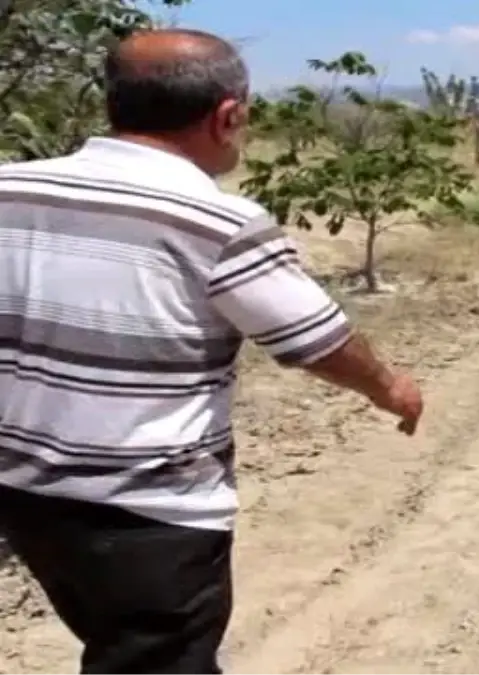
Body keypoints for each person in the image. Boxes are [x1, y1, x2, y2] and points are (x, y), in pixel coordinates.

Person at [0, 28, 423, 674]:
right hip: (149, 513)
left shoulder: (11, 190)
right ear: (227, 116)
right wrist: (389, 387)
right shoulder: (217, 221)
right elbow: (319, 338)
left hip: (27, 496)